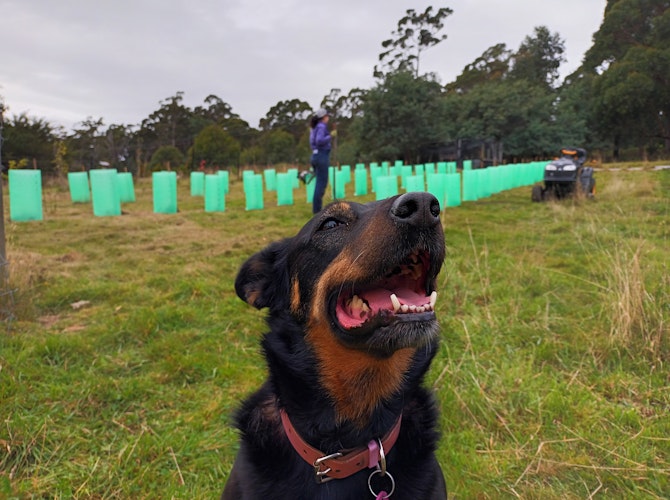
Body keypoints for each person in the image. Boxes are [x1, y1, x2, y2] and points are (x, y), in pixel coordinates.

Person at [308, 108, 334, 214]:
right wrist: (330, 136)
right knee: (321, 183)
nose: (328, 118)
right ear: (323, 117)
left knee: (318, 182)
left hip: (315, 156)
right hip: (321, 156)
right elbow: (319, 141)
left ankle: (316, 208)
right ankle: (317, 210)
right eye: (327, 116)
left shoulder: (314, 128)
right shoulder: (321, 126)